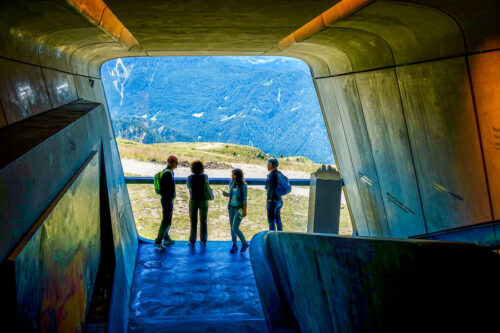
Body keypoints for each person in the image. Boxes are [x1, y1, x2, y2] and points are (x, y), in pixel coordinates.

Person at [154, 155, 178, 249]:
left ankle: (166, 238)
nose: (177, 164)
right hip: (167, 199)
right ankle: (158, 241)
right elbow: (166, 188)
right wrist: (171, 195)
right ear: (171, 163)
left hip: (166, 199)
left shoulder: (166, 171)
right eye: (176, 162)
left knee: (168, 219)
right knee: (166, 220)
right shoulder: (168, 174)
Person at [222, 168, 249, 253]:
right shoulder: (232, 182)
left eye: (233, 174)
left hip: (239, 209)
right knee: (232, 228)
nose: (231, 176)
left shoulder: (243, 185)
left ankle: (244, 243)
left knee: (235, 228)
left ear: (237, 175)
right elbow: (230, 194)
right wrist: (226, 194)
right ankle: (234, 244)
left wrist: (244, 210)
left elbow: (244, 199)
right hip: (231, 208)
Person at [187, 160, 210, 247]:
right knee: (203, 222)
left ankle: (192, 241)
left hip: (193, 200)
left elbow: (189, 186)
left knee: (193, 222)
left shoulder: (190, 177)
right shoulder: (205, 176)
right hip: (204, 201)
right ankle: (203, 241)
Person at [265, 158, 283, 231]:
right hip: (279, 200)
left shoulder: (271, 175)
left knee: (271, 221)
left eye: (268, 164)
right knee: (278, 219)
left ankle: (273, 238)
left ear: (271, 165)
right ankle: (280, 236)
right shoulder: (278, 174)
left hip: (272, 201)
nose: (267, 166)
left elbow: (267, 187)